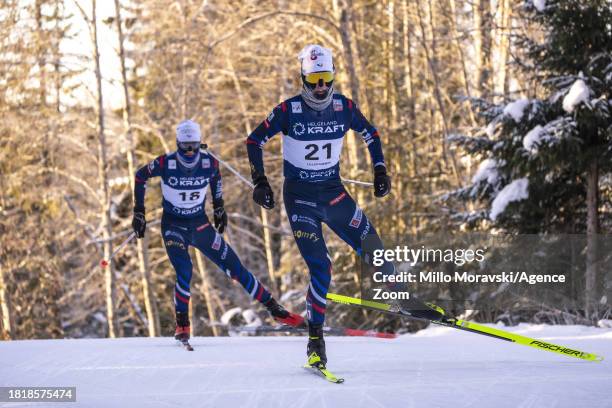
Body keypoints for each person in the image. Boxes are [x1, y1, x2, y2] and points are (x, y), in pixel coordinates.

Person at [245, 45, 392, 368]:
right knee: (322, 267)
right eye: (314, 81)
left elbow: (371, 133)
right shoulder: (289, 110)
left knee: (376, 250)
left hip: (333, 193)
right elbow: (254, 140)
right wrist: (261, 181)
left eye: (326, 79)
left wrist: (379, 168)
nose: (321, 87)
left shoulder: (343, 107)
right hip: (300, 200)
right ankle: (315, 340)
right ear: (303, 80)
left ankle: (400, 296)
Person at [132, 119, 303, 343]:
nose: (190, 151)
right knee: (185, 270)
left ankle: (276, 310)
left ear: (199, 142)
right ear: (177, 144)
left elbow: (216, 180)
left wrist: (219, 207)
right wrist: (139, 211)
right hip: (174, 227)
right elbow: (139, 176)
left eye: (194, 145)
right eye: (186, 146)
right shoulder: (165, 163)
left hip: (200, 225)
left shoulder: (209, 163)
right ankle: (182, 323)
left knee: (235, 266)